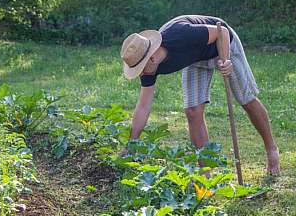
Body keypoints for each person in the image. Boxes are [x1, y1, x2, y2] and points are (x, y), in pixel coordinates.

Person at [120, 14, 280, 175]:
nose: (140, 74)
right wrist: (131, 144)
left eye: (140, 69)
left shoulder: (180, 35)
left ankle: (271, 150)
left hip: (222, 44)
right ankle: (206, 172)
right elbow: (143, 106)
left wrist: (226, 60)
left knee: (247, 100)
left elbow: (221, 31)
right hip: (195, 58)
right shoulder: (148, 68)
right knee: (192, 111)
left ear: (152, 58)